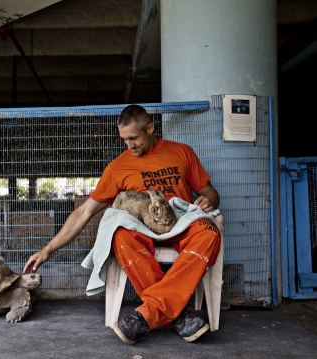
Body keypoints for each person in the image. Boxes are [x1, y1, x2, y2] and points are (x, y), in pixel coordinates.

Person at [23, 104, 221, 344]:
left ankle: (148, 314)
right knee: (118, 234)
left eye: (134, 138)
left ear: (150, 128)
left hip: (179, 222)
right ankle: (179, 314)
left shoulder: (181, 152)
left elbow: (210, 192)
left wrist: (208, 200)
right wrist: (47, 250)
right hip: (144, 228)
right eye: (124, 140)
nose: (129, 145)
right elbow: (84, 212)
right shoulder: (117, 167)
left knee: (210, 232)